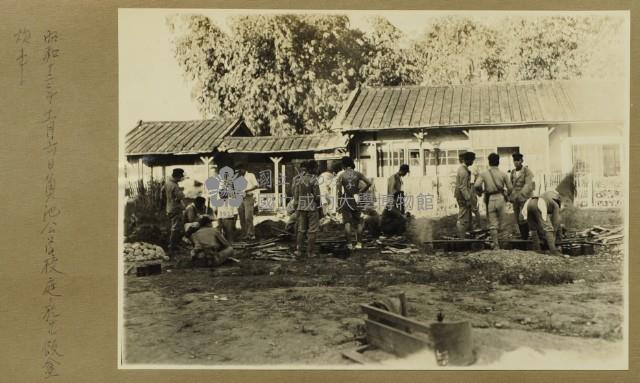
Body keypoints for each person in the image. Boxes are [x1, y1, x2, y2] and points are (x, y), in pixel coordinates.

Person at [474, 153, 513, 249]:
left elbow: (476, 185)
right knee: (503, 223)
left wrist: (480, 192)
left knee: (493, 224)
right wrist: (506, 195)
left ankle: (496, 246)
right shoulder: (503, 174)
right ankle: (504, 245)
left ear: (489, 162)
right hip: (500, 198)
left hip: (490, 199)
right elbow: (510, 188)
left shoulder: (484, 174)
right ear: (498, 162)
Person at [335, 156, 372, 249]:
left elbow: (339, 191)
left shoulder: (341, 175)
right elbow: (369, 183)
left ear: (343, 164)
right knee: (358, 221)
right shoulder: (358, 174)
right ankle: (359, 243)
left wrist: (339, 204)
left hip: (346, 199)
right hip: (356, 198)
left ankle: (349, 244)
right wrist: (361, 192)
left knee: (347, 222)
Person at [292, 160, 322, 257]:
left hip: (301, 208)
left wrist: (296, 207)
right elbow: (317, 196)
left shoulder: (299, 180)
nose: (317, 169)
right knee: (312, 230)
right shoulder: (314, 180)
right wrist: (319, 207)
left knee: (301, 230)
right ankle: (310, 252)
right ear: (313, 169)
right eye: (316, 168)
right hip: (312, 207)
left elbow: (295, 196)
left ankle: (299, 251)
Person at [522, 190, 563, 256]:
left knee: (533, 228)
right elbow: (555, 223)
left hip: (528, 203)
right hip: (539, 204)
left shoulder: (546, 199)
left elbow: (539, 224)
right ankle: (553, 251)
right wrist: (553, 237)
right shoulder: (555, 205)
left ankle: (537, 249)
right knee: (548, 228)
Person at [509, 153, 536, 240]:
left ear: (521, 161)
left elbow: (528, 185)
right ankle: (523, 235)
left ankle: (526, 236)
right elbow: (511, 185)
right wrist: (511, 195)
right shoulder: (512, 172)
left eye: (518, 160)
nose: (516, 162)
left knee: (523, 217)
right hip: (516, 199)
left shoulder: (527, 171)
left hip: (525, 198)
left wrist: (520, 194)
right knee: (517, 218)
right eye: (514, 161)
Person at [163, 168, 186, 252]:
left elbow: (162, 193)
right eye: (180, 177)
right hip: (175, 208)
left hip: (169, 207)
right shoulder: (174, 185)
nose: (181, 178)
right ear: (177, 177)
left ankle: (172, 245)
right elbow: (181, 196)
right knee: (175, 228)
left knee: (172, 227)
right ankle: (172, 246)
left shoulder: (167, 183)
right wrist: (181, 193)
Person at [454, 152, 476, 238]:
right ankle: (461, 237)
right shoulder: (464, 171)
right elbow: (463, 187)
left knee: (467, 215)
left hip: (461, 195)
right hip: (462, 196)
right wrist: (468, 199)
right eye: (472, 160)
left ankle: (465, 234)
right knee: (462, 216)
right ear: (468, 160)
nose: (472, 162)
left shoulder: (462, 169)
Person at [236, 163, 260, 241]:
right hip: (240, 198)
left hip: (248, 197)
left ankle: (251, 234)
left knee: (248, 217)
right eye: (238, 170)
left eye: (240, 170)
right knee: (241, 217)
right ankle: (244, 234)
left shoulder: (250, 175)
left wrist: (247, 190)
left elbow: (256, 185)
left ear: (244, 169)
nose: (239, 172)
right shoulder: (238, 177)